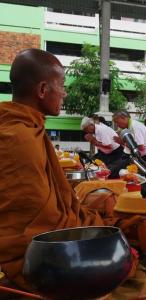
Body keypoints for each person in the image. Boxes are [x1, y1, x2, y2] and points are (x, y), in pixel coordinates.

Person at [0, 49, 126, 290]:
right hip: (32, 254)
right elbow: (41, 224)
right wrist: (92, 223)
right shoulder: (20, 137)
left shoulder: (25, 127)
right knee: (136, 224)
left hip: (48, 228)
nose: (65, 93)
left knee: (109, 204)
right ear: (42, 90)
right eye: (62, 85)